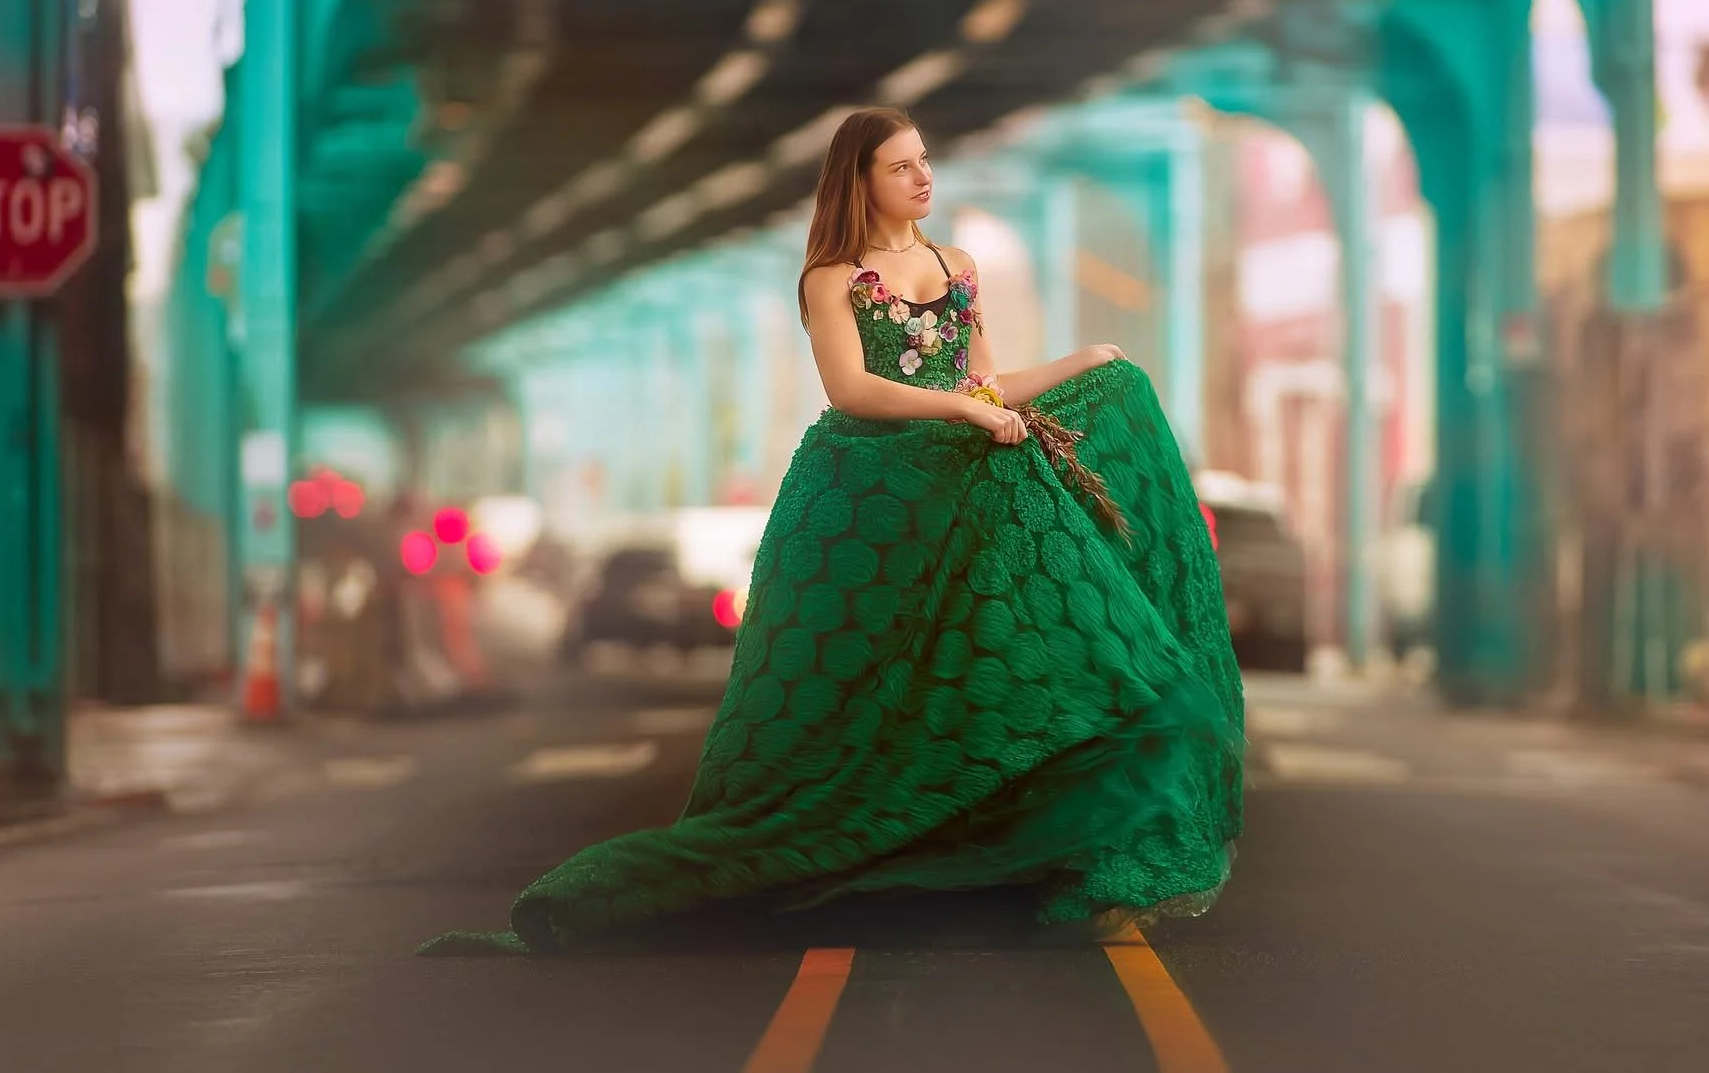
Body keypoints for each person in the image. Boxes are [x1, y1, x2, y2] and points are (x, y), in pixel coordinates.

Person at [420, 107, 1244, 957]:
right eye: (902, 167)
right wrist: (962, 407)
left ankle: (1028, 850)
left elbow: (988, 385)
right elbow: (853, 389)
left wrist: (1087, 363)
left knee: (1014, 646)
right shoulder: (831, 278)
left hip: (954, 493)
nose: (924, 178)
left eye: (926, 160)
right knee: (836, 706)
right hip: (863, 503)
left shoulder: (955, 265)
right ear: (861, 182)